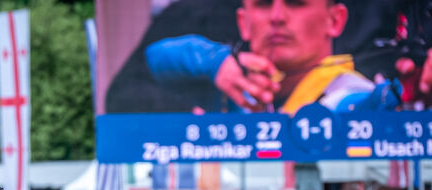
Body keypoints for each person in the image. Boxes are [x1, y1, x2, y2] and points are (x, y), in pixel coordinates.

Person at [104, 0, 404, 115]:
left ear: (335, 20)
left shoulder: (349, 87)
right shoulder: (229, 82)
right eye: (262, 4)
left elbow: (365, 102)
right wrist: (213, 62)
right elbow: (156, 57)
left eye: (295, 3)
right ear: (243, 21)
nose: (277, 17)